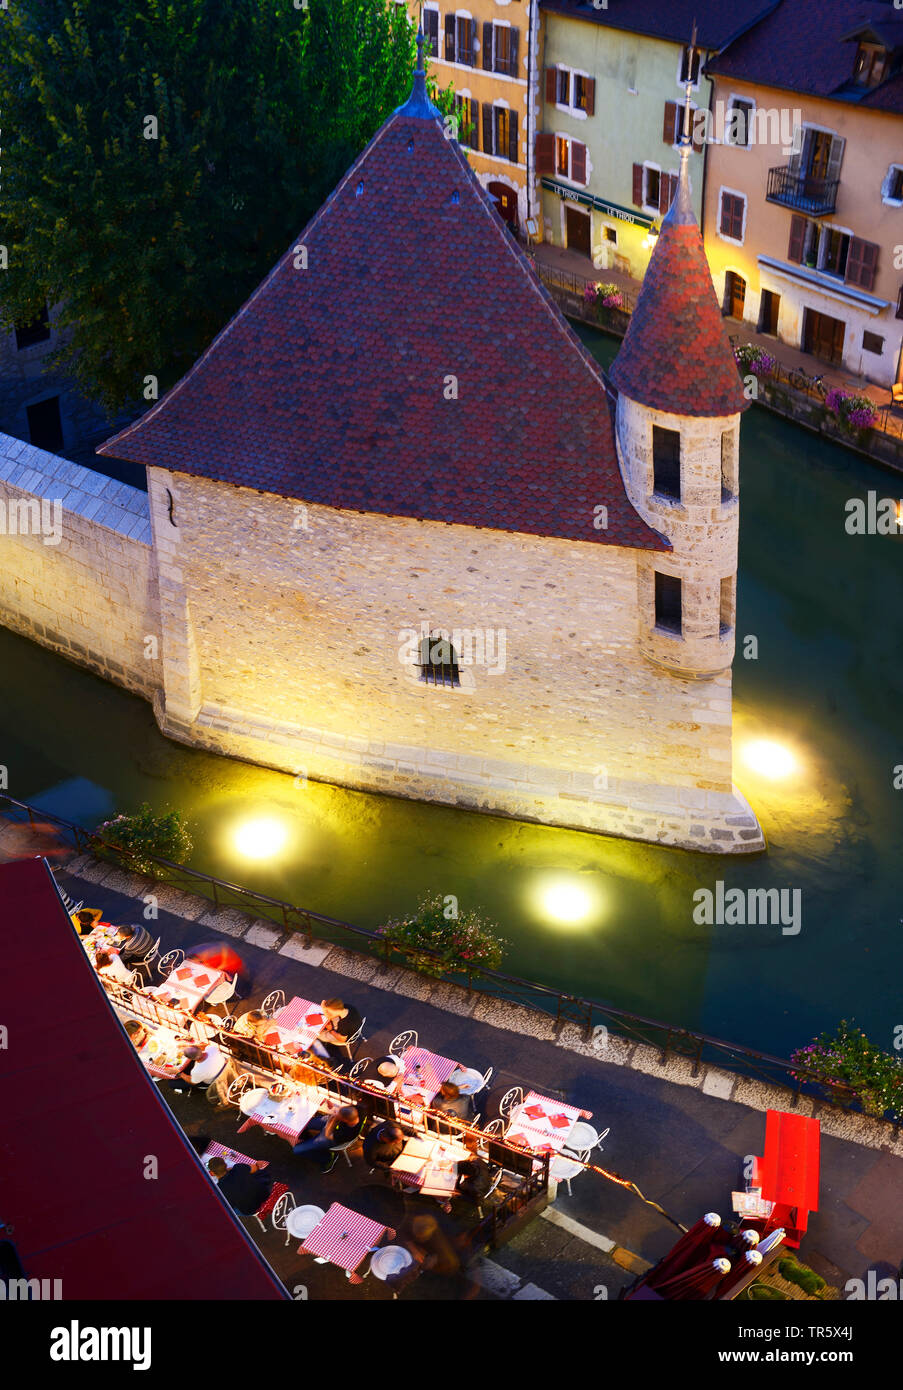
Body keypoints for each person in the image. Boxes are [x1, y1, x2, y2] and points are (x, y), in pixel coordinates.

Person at [291, 1104, 362, 1173]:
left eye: (339, 1114)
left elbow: (327, 1135)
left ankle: (328, 1158)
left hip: (331, 1136)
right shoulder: (359, 1109)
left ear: (345, 1120)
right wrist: (337, 1112)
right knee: (303, 1123)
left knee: (296, 1150)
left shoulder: (346, 1133)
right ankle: (307, 1139)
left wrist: (333, 1119)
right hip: (334, 1124)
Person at [207, 1156, 272, 1216]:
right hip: (264, 1194)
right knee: (251, 1175)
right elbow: (255, 1167)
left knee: (229, 1207)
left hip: (251, 1210)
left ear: (212, 1173)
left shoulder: (218, 1190)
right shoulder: (238, 1168)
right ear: (226, 1165)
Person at [310, 998, 362, 1064]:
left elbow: (342, 1039)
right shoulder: (347, 1007)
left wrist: (330, 1029)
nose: (327, 1014)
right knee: (327, 1019)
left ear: (335, 1010)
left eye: (329, 1012)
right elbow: (327, 1009)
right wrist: (325, 1008)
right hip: (355, 1026)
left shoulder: (343, 1024)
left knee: (317, 1033)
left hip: (346, 1037)